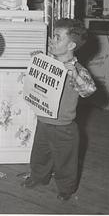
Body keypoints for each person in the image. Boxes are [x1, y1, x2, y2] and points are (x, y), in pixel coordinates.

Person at [23, 18, 96, 201]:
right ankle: (38, 177)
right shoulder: (47, 62)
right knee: (40, 154)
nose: (52, 40)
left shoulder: (78, 70)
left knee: (66, 161)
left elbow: (89, 90)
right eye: (52, 36)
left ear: (71, 44)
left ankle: (66, 188)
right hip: (43, 121)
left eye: (57, 37)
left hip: (64, 126)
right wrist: (35, 61)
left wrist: (74, 74)